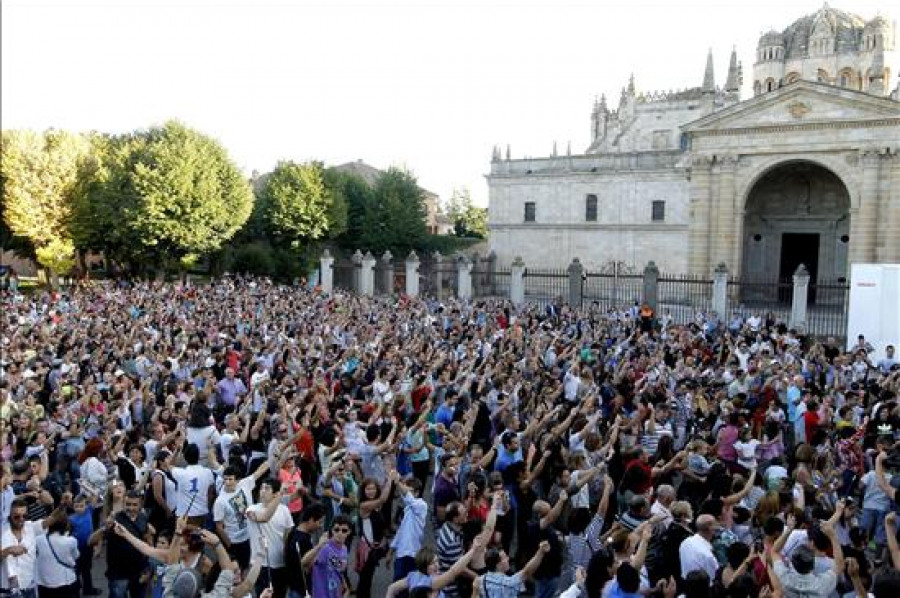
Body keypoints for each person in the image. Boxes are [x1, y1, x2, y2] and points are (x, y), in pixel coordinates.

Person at [284, 503, 326, 598]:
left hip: (294, 586)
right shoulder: (302, 540)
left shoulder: (294, 532)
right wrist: (319, 546)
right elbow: (305, 564)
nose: (320, 526)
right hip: (300, 589)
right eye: (320, 522)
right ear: (311, 520)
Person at [311, 514, 352, 598]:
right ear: (332, 530)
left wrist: (345, 586)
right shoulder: (325, 548)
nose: (340, 533)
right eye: (336, 530)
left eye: (344, 530)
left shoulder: (344, 548)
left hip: (335, 593)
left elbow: (339, 570)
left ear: (349, 532)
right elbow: (309, 565)